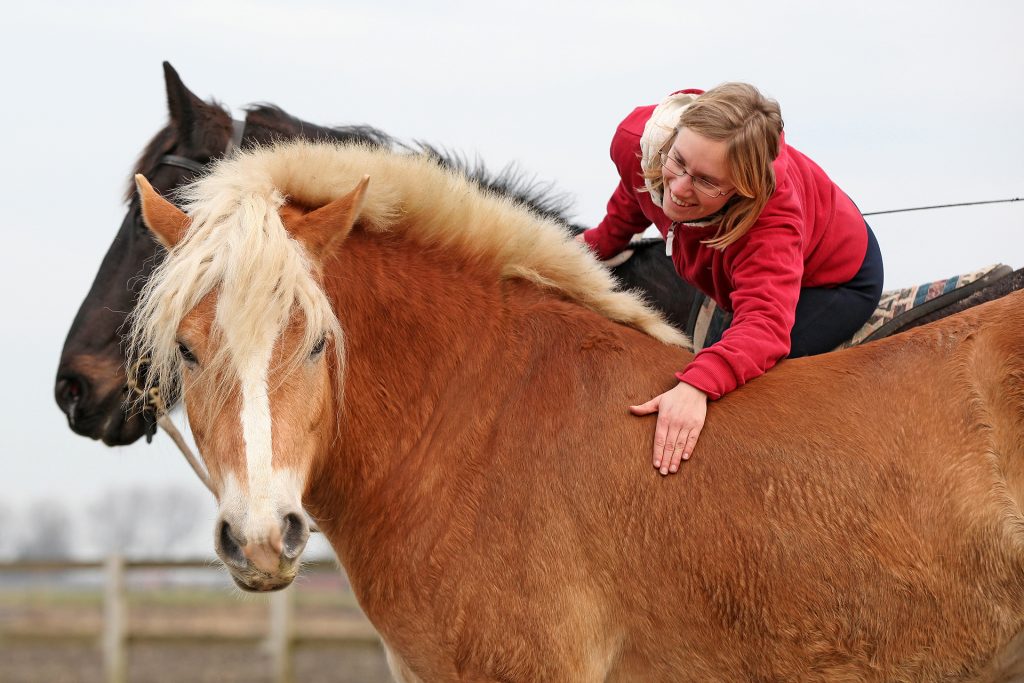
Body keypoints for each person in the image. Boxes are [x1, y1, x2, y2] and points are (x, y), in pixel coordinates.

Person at [578, 83, 883, 476]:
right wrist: (599, 242)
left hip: (833, 279)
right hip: (771, 249)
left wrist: (698, 386)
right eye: (678, 161)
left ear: (742, 189)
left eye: (706, 181)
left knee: (749, 393)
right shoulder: (638, 139)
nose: (679, 188)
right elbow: (639, 189)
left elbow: (766, 325)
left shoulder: (772, 225)